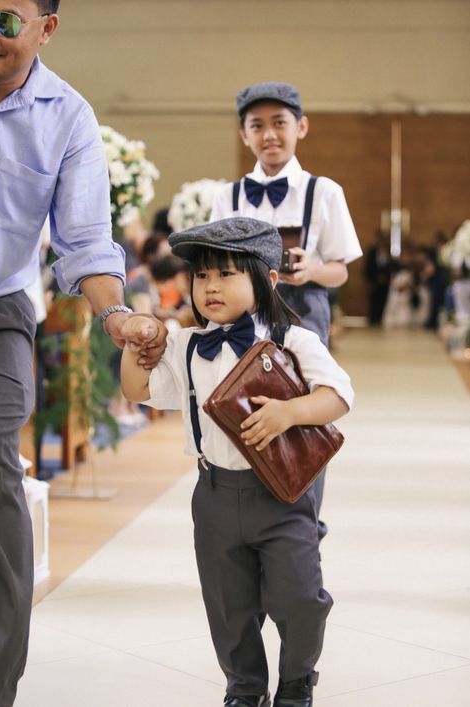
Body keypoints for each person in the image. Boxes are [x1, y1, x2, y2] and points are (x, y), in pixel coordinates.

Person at [0, 3, 164, 705]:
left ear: (45, 28)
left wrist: (116, 312)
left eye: (6, 20)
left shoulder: (65, 116)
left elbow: (87, 239)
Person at [121, 217, 354, 707]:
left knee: (300, 598)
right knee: (228, 607)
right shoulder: (185, 347)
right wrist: (134, 343)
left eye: (227, 274)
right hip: (215, 496)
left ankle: (296, 683)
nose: (210, 287)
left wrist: (290, 412)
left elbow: (338, 396)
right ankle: (244, 687)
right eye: (202, 276)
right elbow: (137, 389)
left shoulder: (291, 341)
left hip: (282, 496)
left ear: (266, 279)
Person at [210, 83, 361, 536]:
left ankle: (302, 519)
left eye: (280, 123)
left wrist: (312, 269)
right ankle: (245, 523)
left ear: (301, 127)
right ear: (244, 135)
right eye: (258, 125)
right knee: (239, 410)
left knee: (303, 415)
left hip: (303, 314)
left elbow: (342, 271)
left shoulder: (324, 191)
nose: (270, 134)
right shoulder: (227, 196)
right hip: (241, 321)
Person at [364, 230, 392, 326]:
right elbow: (368, 267)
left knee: (383, 301)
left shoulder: (388, 252)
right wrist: (370, 280)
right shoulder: (372, 252)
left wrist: (386, 278)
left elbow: (390, 267)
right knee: (373, 301)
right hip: (374, 281)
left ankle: (381, 319)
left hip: (385, 283)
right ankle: (373, 320)